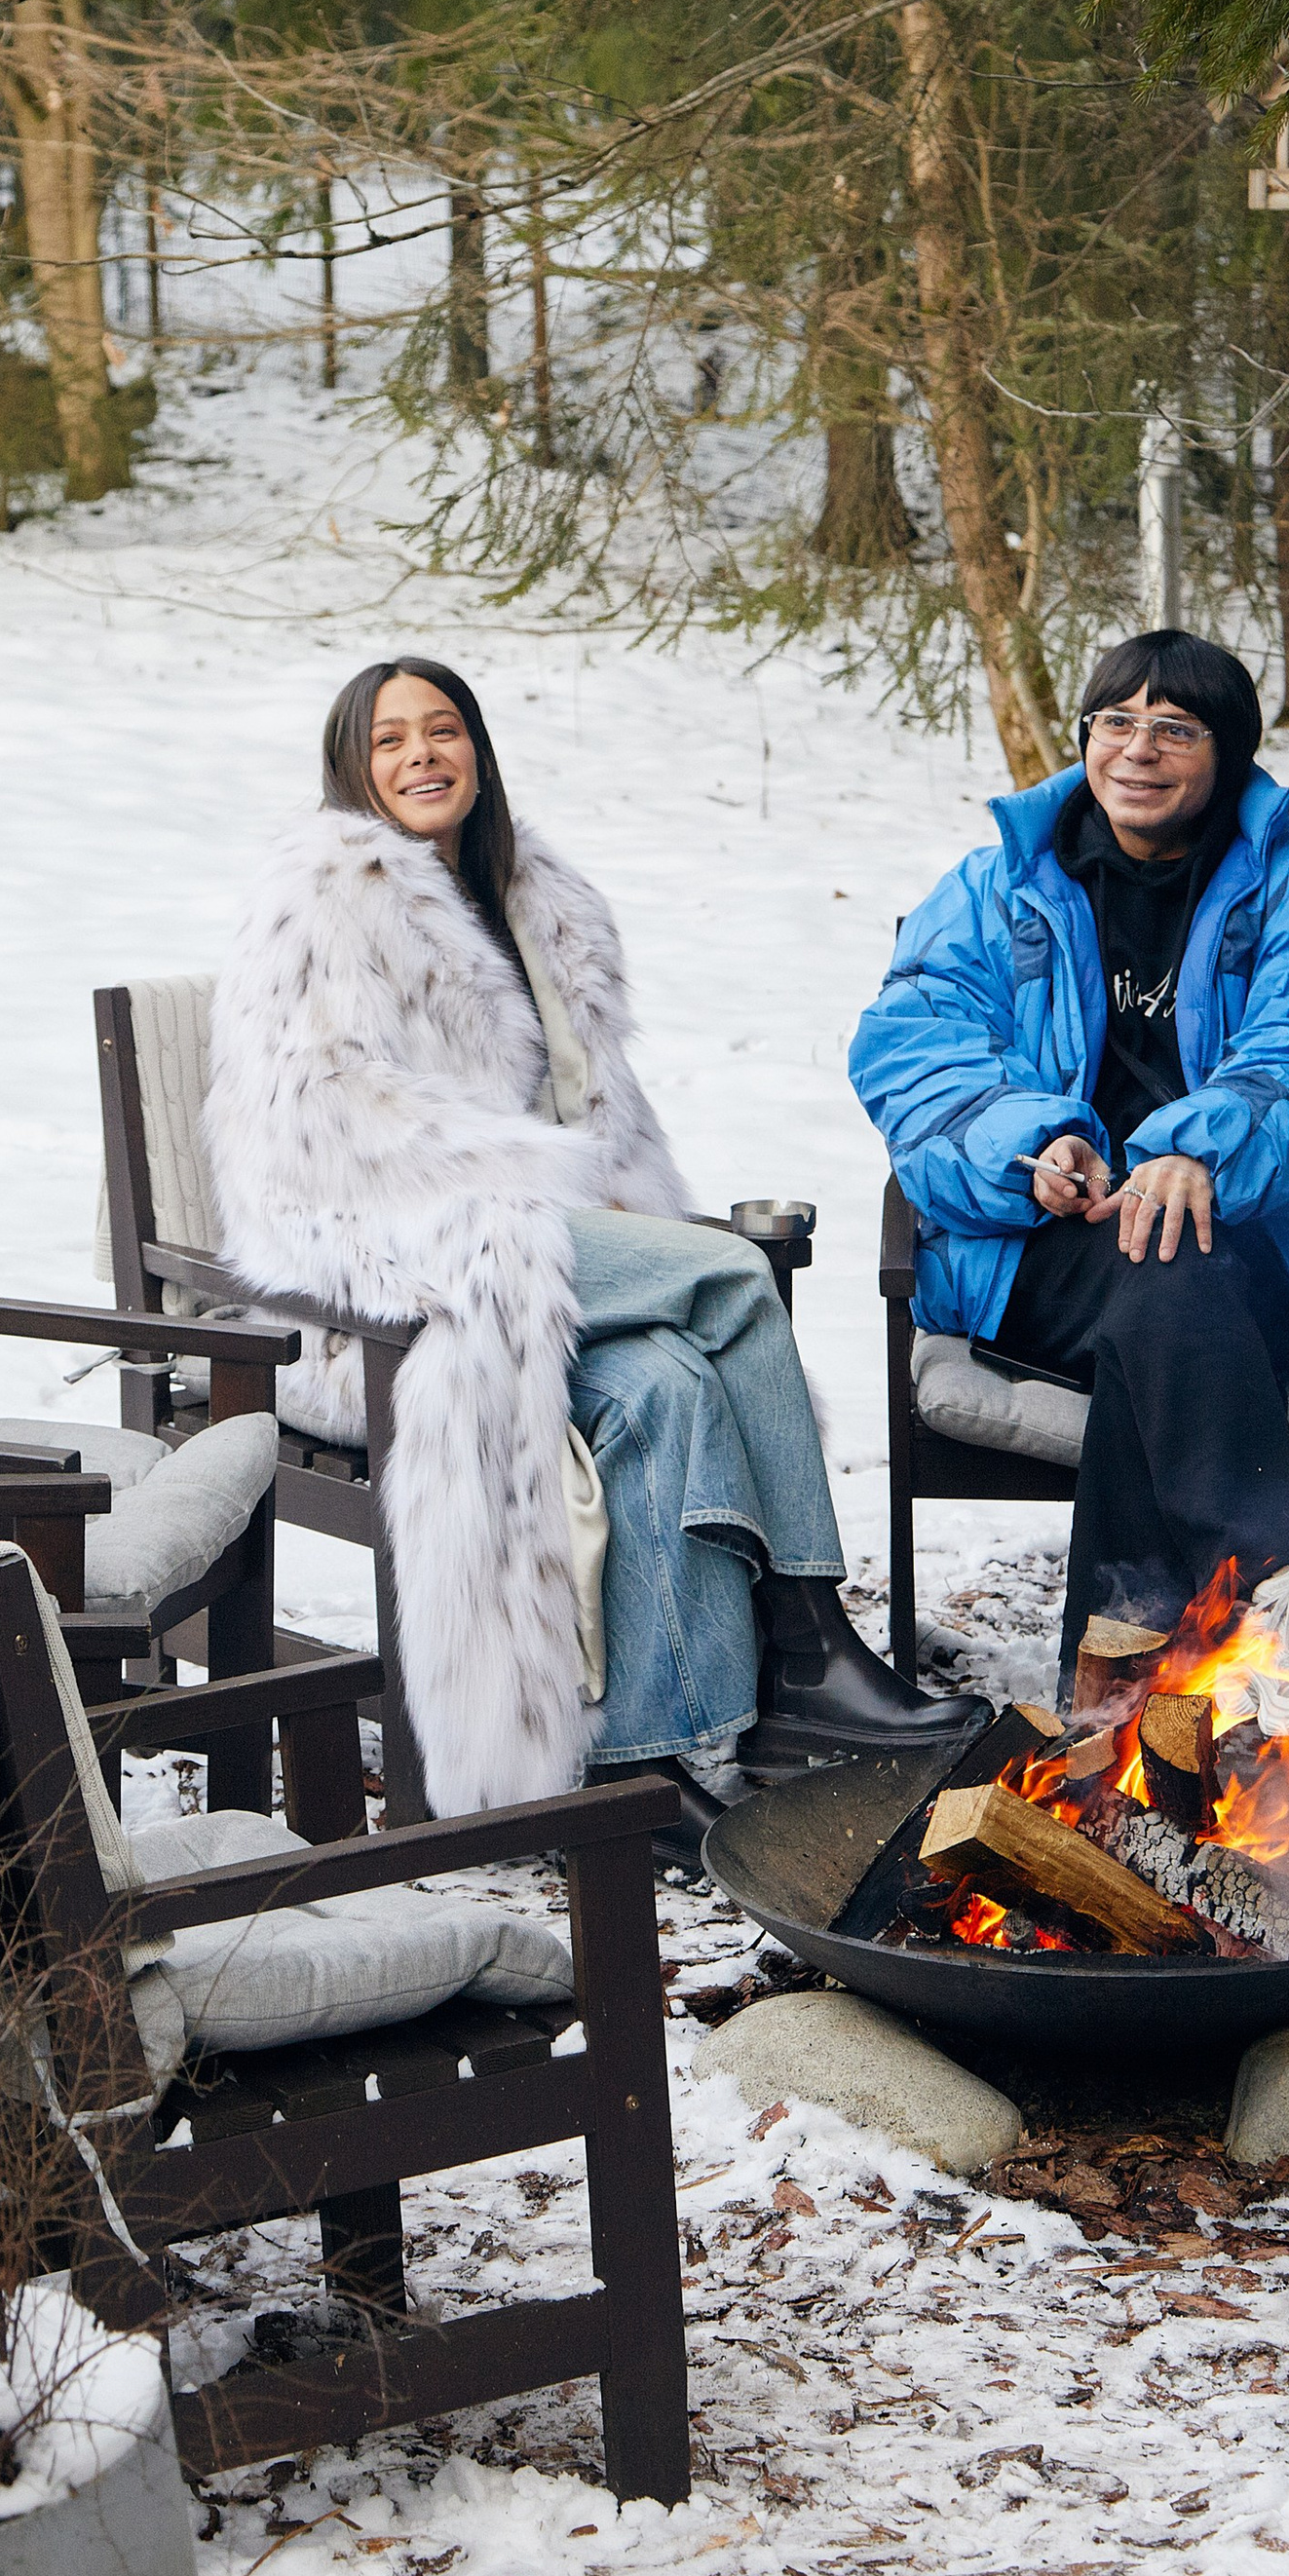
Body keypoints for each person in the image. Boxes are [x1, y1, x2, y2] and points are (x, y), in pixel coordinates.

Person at [203, 657, 987, 1847]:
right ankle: (810, 1639)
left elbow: (595, 1115)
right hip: (400, 1252)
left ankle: (648, 1761)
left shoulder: (535, 896)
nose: (422, 755)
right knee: (725, 1275)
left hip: (538, 1235)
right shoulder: (320, 900)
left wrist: (570, 1186)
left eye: (444, 729)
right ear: (353, 770)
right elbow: (319, 1115)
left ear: (478, 748)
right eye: (391, 741)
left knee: (669, 1387)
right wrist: (515, 1175)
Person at [849, 628, 1289, 1724]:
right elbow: (914, 1055)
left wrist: (1193, 1151)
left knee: (1176, 1261)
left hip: (1253, 1251)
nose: (1138, 749)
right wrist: (1031, 1147)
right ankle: (1273, 1591)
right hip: (1041, 1254)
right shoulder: (992, 887)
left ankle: (1110, 1720)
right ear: (1084, 739)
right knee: (1164, 1272)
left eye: (1175, 727)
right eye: (1115, 721)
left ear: (1229, 752)